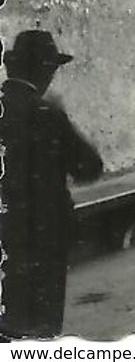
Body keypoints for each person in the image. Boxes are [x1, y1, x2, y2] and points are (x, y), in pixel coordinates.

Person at [0, 30, 104, 341]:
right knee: (40, 325)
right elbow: (89, 167)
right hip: (42, 237)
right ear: (45, 71)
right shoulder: (47, 114)